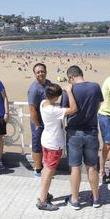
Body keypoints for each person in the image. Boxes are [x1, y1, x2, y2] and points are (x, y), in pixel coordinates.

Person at [60, 65, 103, 210]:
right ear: (81, 74)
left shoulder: (68, 90)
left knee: (75, 167)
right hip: (91, 131)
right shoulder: (95, 87)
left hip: (73, 133)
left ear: (71, 77)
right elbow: (97, 106)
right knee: (92, 166)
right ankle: (96, 198)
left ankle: (75, 200)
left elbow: (64, 111)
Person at [36, 83, 77, 211]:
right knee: (49, 170)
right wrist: (69, 91)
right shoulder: (53, 110)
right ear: (56, 97)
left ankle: (43, 194)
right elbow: (73, 109)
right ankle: (42, 201)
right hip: (54, 143)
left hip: (46, 140)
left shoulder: (43, 103)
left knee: (46, 168)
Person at [28, 63, 51, 177]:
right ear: (35, 74)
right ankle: (37, 169)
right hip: (37, 121)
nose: (40, 73)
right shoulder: (33, 89)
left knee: (47, 144)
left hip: (47, 121)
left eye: (42, 71)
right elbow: (32, 109)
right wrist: (37, 125)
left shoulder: (48, 83)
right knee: (37, 144)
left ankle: (46, 167)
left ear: (46, 71)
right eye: (38, 72)